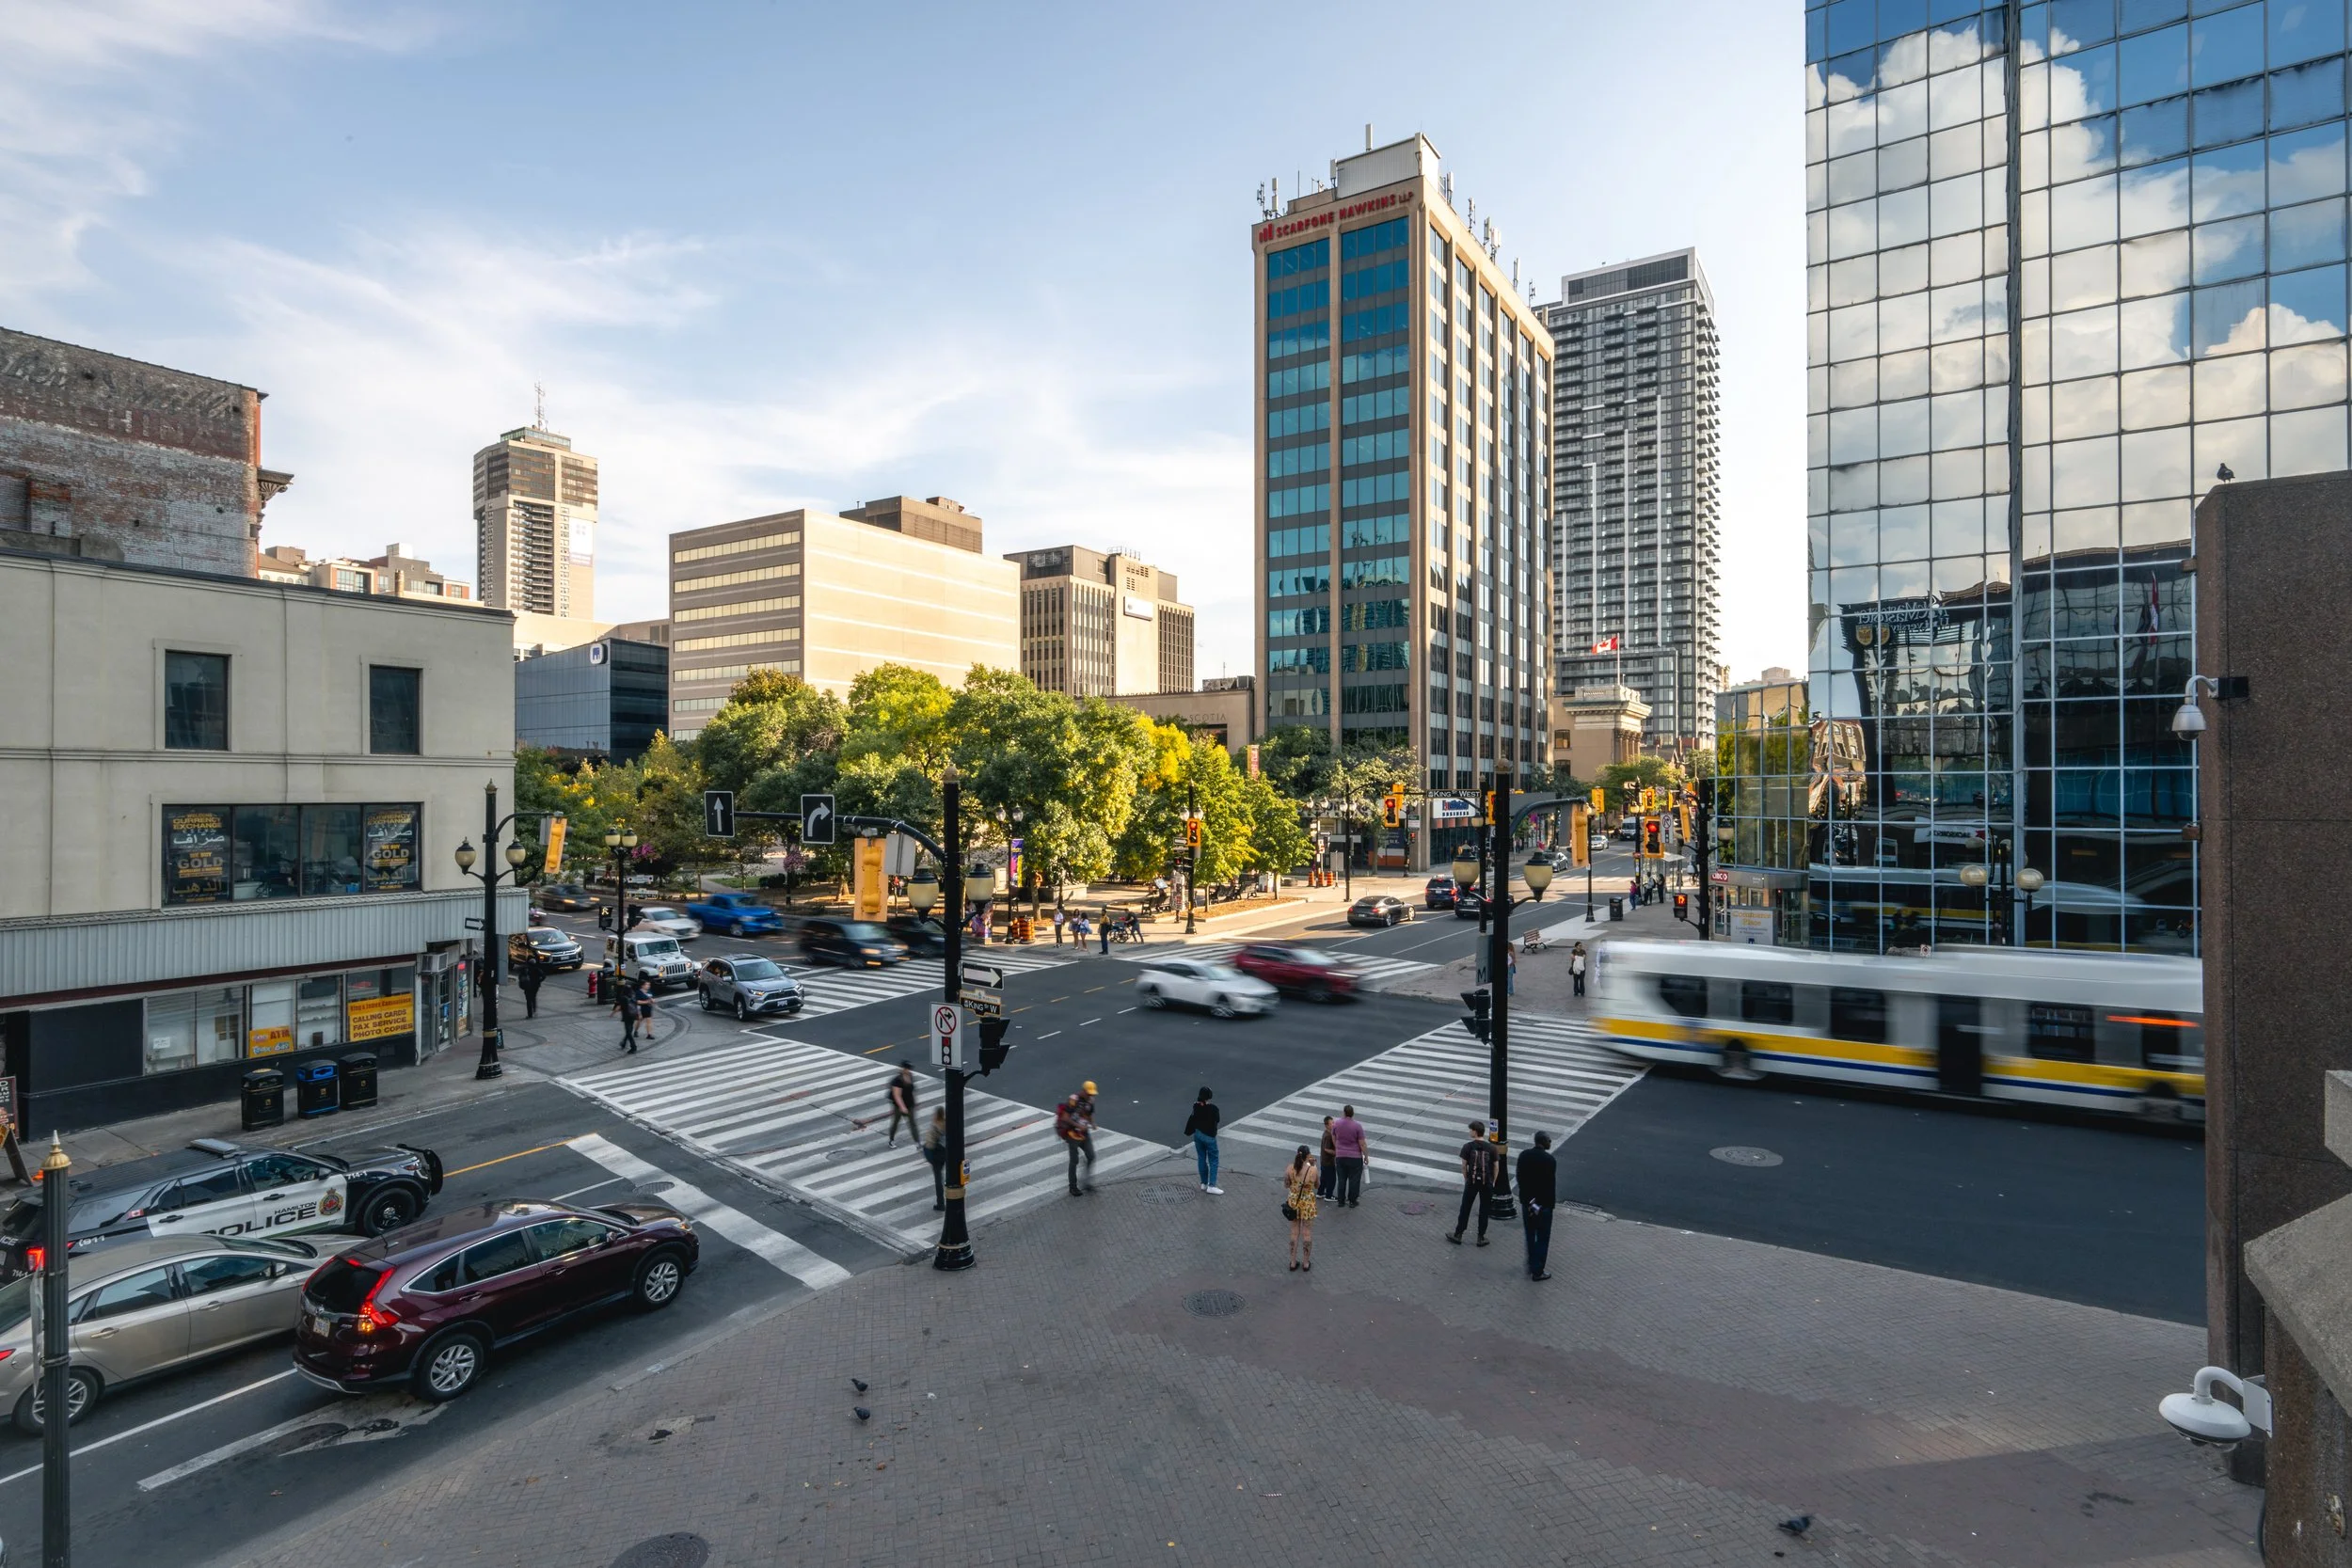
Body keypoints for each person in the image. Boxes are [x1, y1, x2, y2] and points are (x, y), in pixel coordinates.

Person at [1448, 1120, 1500, 1246]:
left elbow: (1464, 1166)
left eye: (1470, 1130)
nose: (1469, 1132)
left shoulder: (1468, 1146)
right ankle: (1481, 1237)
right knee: (1484, 1209)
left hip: (1472, 1181)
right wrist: (1493, 1181)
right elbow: (1496, 1166)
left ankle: (1458, 1234)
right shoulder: (1492, 1148)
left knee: (1465, 1207)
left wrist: (1467, 1179)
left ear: (1475, 1132)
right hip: (1486, 1182)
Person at [1518, 1131, 1558, 1280]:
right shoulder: (1549, 1160)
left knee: (1529, 1233)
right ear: (1543, 1142)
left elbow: (1521, 1178)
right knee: (1542, 1237)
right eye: (1549, 1140)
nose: (1550, 1142)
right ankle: (1538, 1270)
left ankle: (1531, 1261)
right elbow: (1548, 1185)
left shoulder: (1524, 1155)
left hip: (1528, 1203)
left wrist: (1528, 1200)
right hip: (1543, 1205)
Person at [1057, 1081, 1098, 1195]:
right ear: (1083, 1091)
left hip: (1084, 1134)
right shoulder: (1073, 1100)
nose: (1091, 1095)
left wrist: (1092, 1123)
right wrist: (1078, 1125)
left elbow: (1089, 1115)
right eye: (1089, 1093)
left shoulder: (1090, 1101)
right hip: (1072, 1135)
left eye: (1092, 1094)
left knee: (1091, 1156)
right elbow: (1065, 1117)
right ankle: (1073, 1187)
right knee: (1074, 1161)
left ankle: (1086, 1182)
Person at [1284, 1145, 1319, 1272]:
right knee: (1307, 1232)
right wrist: (1313, 1165)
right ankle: (1305, 1263)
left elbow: (1286, 1185)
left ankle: (1293, 1262)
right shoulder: (1312, 1171)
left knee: (1294, 1232)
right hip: (1307, 1204)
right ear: (1308, 1156)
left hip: (1293, 1203)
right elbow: (1316, 1185)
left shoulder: (1289, 1168)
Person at [1184, 1086, 1223, 1195]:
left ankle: (1203, 1183)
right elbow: (1218, 1119)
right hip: (1209, 1137)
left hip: (1198, 1135)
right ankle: (1212, 1186)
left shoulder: (1196, 1106)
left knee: (1201, 1158)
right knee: (1213, 1160)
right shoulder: (1214, 1109)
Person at [1329, 1104, 1367, 1208]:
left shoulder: (1336, 1124)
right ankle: (1352, 1201)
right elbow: (1362, 1143)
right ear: (1352, 1113)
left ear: (1344, 1112)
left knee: (1341, 1179)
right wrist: (1366, 1156)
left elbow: (1333, 1137)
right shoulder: (1357, 1126)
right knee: (1354, 1180)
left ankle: (1341, 1201)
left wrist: (1337, 1147)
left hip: (1340, 1156)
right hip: (1355, 1158)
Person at [885, 1063, 918, 1148]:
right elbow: (897, 1095)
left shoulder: (910, 1076)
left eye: (909, 1068)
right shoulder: (897, 1080)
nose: (908, 1070)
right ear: (903, 1069)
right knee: (896, 1123)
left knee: (912, 1124)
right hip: (899, 1107)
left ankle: (917, 1142)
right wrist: (902, 1107)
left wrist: (914, 1102)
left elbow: (911, 1091)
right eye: (906, 1068)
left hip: (910, 1104)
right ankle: (891, 1140)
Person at [922, 1108, 948, 1211]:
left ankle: (940, 1203)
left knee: (938, 1179)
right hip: (947, 1153)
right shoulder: (947, 1123)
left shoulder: (934, 1126)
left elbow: (930, 1144)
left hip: (937, 1155)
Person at [1316, 1116, 1338, 1201]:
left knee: (1324, 1178)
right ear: (1327, 1125)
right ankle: (1329, 1196)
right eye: (1331, 1123)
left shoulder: (1327, 1133)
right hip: (1328, 1162)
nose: (1334, 1124)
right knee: (1332, 1179)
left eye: (1333, 1122)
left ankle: (1320, 1193)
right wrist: (1336, 1153)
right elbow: (1326, 1149)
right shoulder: (1328, 1136)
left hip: (1324, 1161)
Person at [517, 956, 544, 1020]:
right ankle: (534, 1010)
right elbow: (543, 976)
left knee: (528, 1000)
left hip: (527, 986)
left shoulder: (525, 968)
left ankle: (530, 1015)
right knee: (533, 998)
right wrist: (539, 981)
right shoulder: (537, 969)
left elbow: (520, 976)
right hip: (535, 986)